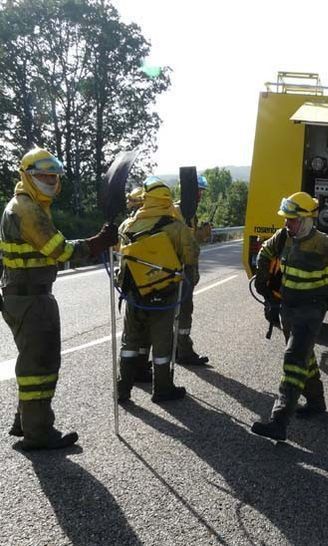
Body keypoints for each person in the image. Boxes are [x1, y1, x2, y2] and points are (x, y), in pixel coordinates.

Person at [0, 147, 118, 450]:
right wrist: (97, 243)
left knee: (32, 360)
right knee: (40, 364)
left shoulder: (26, 205)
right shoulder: (26, 209)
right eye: (44, 176)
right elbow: (60, 250)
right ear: (27, 176)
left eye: (53, 176)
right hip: (31, 300)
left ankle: (24, 422)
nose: (50, 181)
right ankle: (38, 433)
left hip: (22, 295)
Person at [251, 191, 328, 441]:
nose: (287, 224)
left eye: (292, 220)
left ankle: (279, 422)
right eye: (286, 219)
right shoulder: (284, 236)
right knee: (305, 355)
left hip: (311, 309)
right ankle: (316, 402)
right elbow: (265, 252)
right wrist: (262, 279)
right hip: (288, 307)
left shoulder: (325, 244)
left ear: (307, 220)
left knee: (293, 361)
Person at [116, 176, 197, 403]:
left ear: (146, 199)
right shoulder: (176, 227)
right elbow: (191, 255)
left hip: (134, 294)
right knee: (162, 342)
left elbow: (119, 253)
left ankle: (123, 390)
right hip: (164, 292)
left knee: (130, 341)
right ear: (167, 201)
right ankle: (162, 389)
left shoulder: (127, 225)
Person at [174, 174, 211, 366]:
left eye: (202, 192)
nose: (200, 196)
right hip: (180, 271)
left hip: (186, 270)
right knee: (183, 311)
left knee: (181, 311)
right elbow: (183, 242)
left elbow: (189, 240)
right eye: (198, 191)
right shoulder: (180, 211)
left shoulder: (189, 212)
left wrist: (200, 234)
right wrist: (198, 236)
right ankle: (183, 352)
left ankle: (178, 349)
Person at [124, 185, 152, 382]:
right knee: (146, 332)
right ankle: (141, 369)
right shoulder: (158, 222)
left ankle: (128, 376)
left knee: (132, 334)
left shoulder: (126, 225)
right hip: (152, 284)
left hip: (131, 286)